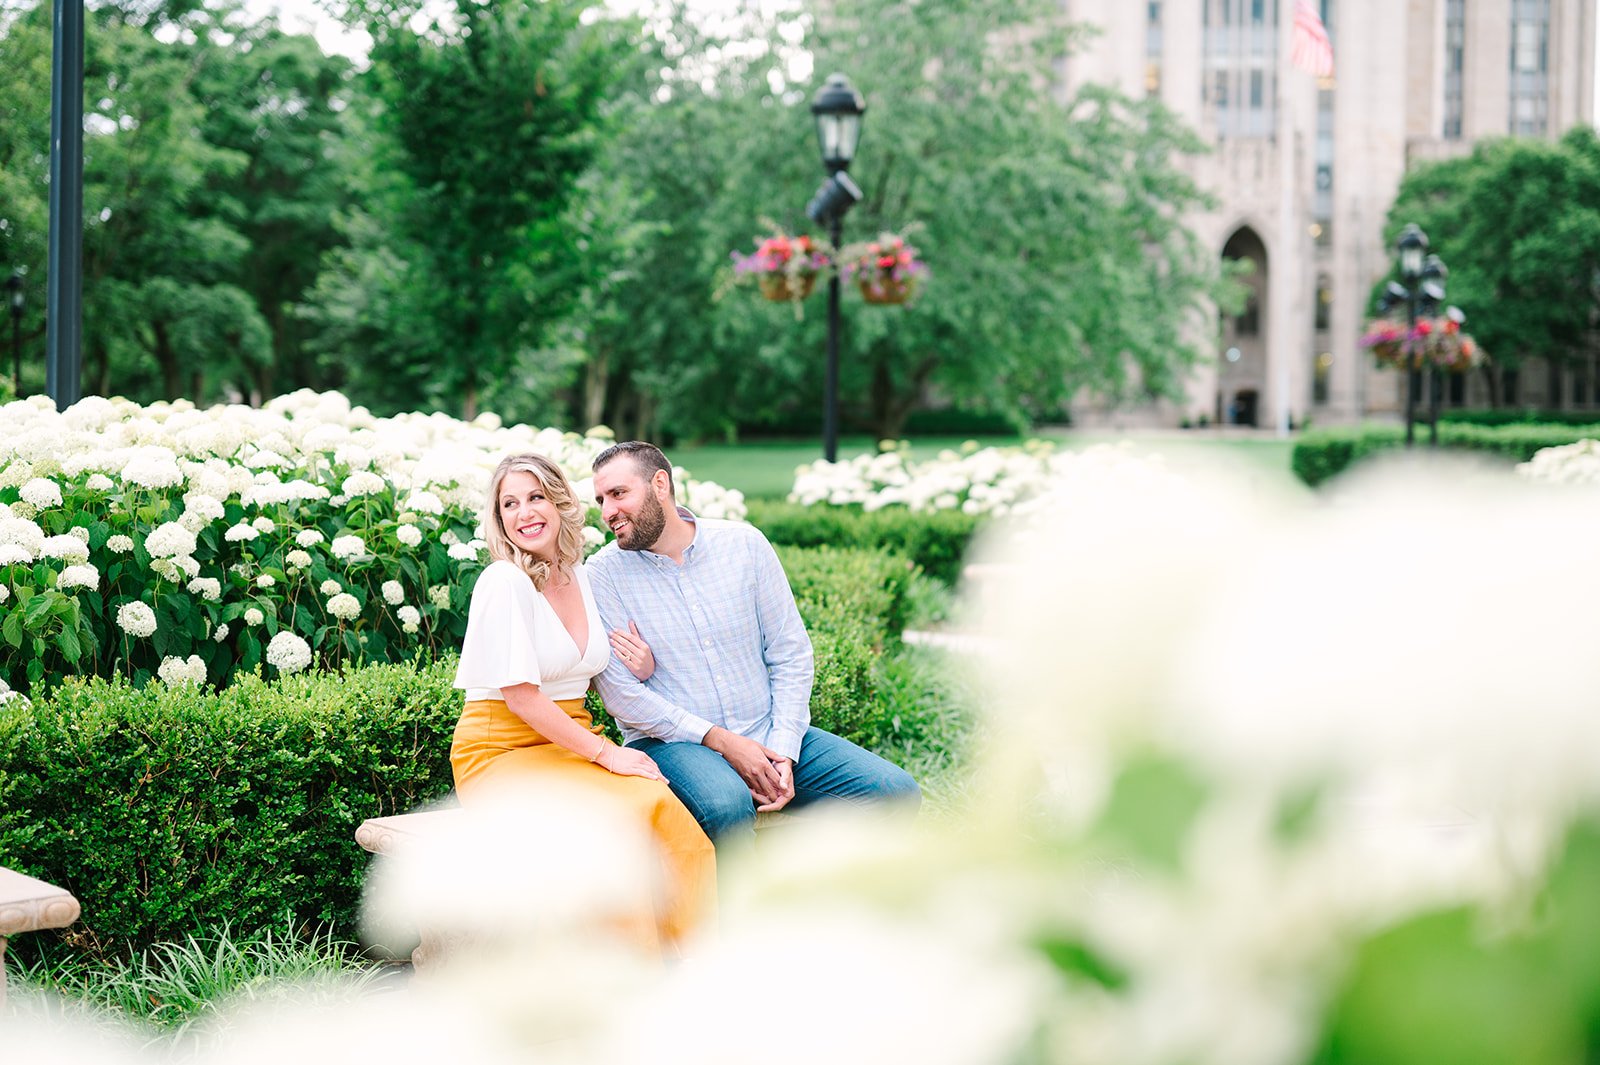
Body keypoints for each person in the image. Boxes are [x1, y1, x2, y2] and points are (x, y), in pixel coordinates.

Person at [587, 440, 921, 847]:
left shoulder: (744, 545)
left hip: (765, 728)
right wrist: (724, 742)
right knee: (726, 806)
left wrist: (781, 750)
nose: (607, 512)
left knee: (894, 792)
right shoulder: (602, 574)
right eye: (601, 499)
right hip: (674, 744)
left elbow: (790, 653)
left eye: (619, 494)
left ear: (660, 484)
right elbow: (622, 695)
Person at [450, 452, 715, 953]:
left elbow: (586, 670)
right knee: (609, 825)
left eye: (536, 498)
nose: (524, 512)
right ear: (499, 518)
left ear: (559, 503)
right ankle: (630, 973)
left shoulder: (581, 575)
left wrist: (640, 668)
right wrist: (608, 753)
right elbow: (523, 697)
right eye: (510, 504)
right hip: (500, 754)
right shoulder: (503, 581)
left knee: (659, 804)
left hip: (567, 746)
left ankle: (695, 956)